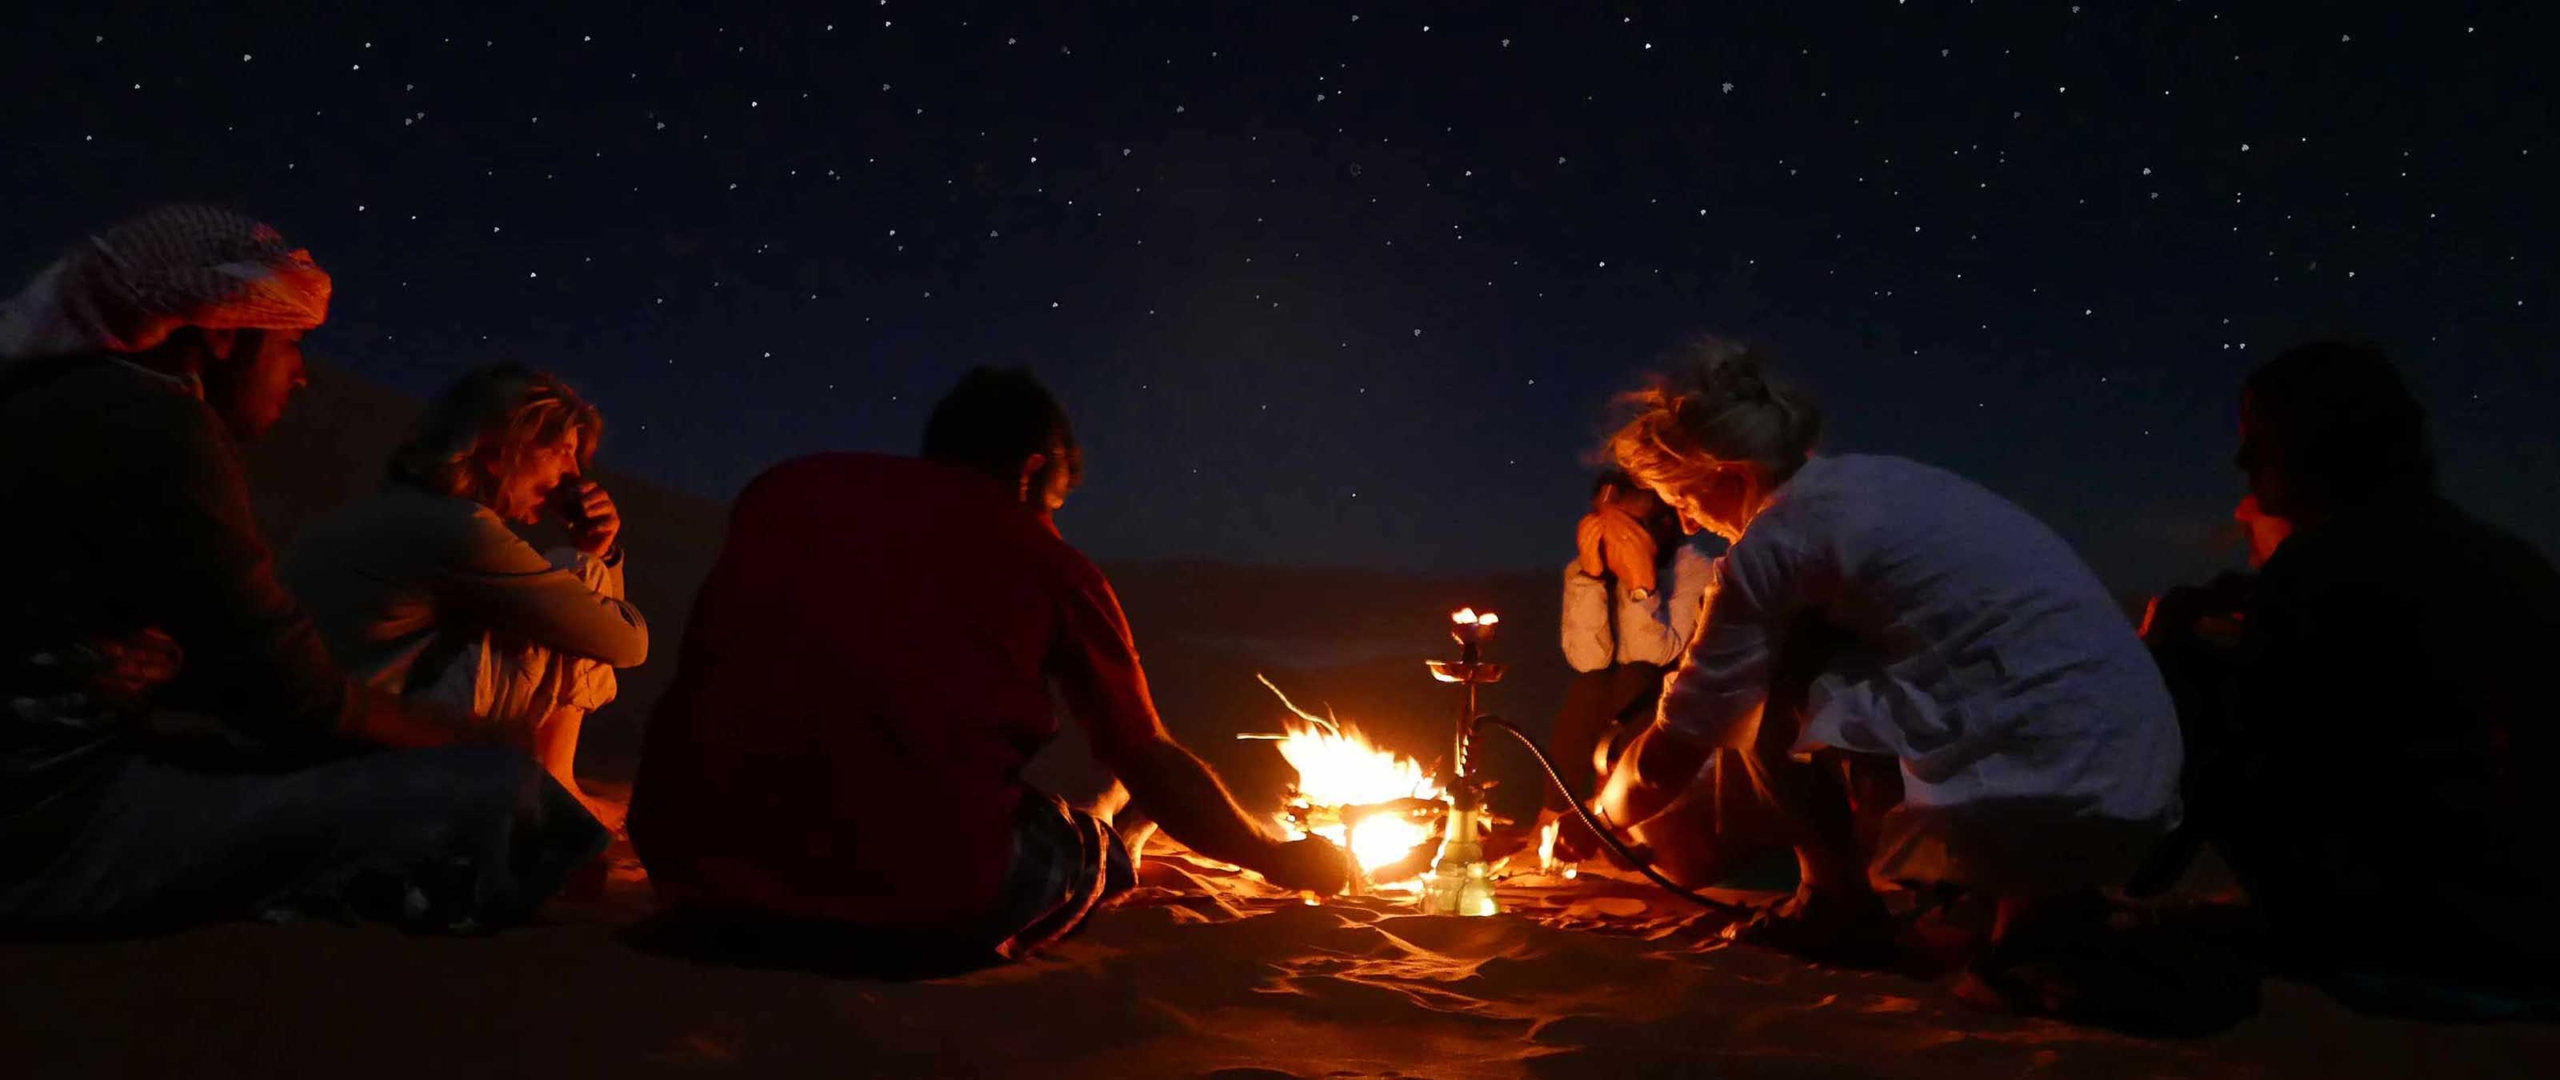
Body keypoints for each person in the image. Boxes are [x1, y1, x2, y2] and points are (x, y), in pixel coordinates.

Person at [0, 206, 605, 934]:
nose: (302, 375)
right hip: (48, 838)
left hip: (61, 789)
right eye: (290, 343)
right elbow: (296, 696)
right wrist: (476, 738)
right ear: (223, 336)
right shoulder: (161, 427)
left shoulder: (62, 402)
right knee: (493, 788)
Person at [628, 367, 1349, 970]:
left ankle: (1096, 823)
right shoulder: (1049, 563)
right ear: (1032, 473)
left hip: (692, 867)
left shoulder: (784, 490)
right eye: (1057, 504)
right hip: (915, 900)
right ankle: (1112, 840)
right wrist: (1275, 857)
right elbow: (1148, 757)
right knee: (1071, 838)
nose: (1056, 524)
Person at [1589, 338, 2183, 991]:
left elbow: (1679, 741)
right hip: (2141, 788)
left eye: (1682, 499)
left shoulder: (1779, 540)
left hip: (2039, 804)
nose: (1686, 522)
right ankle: (2044, 907)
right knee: (1838, 652)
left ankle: (1834, 901)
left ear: (1731, 474)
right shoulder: (1883, 481)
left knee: (1776, 663)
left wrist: (1599, 818)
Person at [2209, 340, 2560, 1001]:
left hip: (2415, 927)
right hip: (2531, 913)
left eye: (2259, 439)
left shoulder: (2319, 568)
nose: (2242, 461)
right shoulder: (2508, 558)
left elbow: (2265, 751)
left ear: (2322, 438)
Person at [285, 364, 646, 815]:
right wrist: (599, 558)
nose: (575, 476)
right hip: (365, 765)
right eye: (563, 452)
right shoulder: (460, 531)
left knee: (556, 593)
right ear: (496, 447)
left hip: (330, 741)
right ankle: (553, 782)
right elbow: (625, 643)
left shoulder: (409, 510)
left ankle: (544, 781)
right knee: (577, 572)